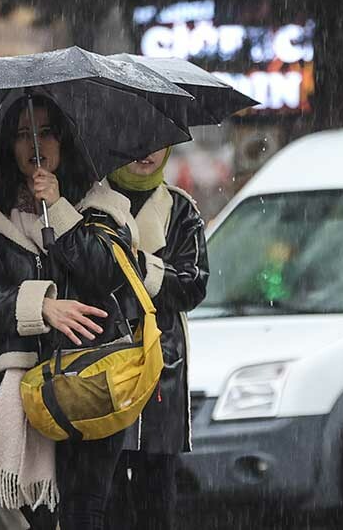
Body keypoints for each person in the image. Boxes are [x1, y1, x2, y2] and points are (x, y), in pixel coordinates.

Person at [0, 95, 144, 530]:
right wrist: (39, 306)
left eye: (45, 132)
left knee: (84, 514)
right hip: (23, 395)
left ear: (65, 139)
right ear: (9, 146)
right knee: (35, 519)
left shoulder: (101, 204)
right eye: (23, 134)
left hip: (90, 382)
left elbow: (108, 272)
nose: (35, 144)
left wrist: (59, 210)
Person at [105, 147, 209, 529]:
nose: (147, 152)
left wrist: (140, 267)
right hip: (105, 366)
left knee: (157, 495)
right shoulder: (92, 202)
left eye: (158, 141)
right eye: (136, 141)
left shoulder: (181, 210)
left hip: (161, 368)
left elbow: (194, 284)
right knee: (106, 496)